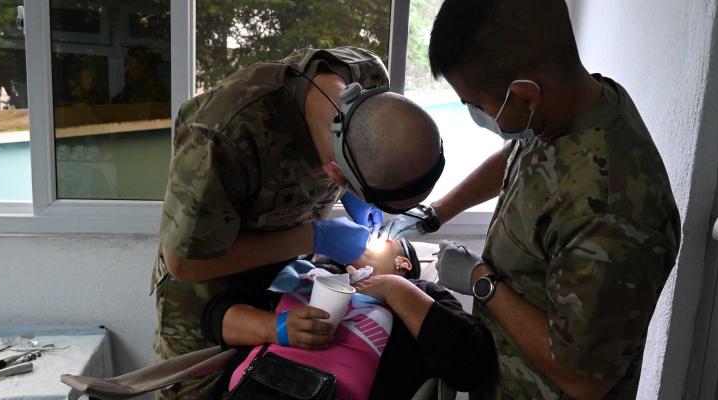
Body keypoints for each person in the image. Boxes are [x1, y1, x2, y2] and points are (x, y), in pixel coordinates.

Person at [386, 1, 682, 399]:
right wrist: (436, 213)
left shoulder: (611, 211)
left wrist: (481, 281)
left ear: (525, 95)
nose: (478, 113)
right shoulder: (571, 108)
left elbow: (584, 378)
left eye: (478, 105)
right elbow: (523, 156)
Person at [153, 46, 444, 399]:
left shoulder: (367, 83)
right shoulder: (222, 136)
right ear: (336, 173)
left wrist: (352, 201)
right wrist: (313, 237)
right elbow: (184, 262)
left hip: (280, 284)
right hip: (206, 289)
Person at [201, 238, 496, 400]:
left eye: (380, 237)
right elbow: (214, 318)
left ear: (402, 262)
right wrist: (275, 327)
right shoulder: (304, 273)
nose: (366, 236)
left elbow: (472, 367)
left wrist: (395, 289)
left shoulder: (420, 296)